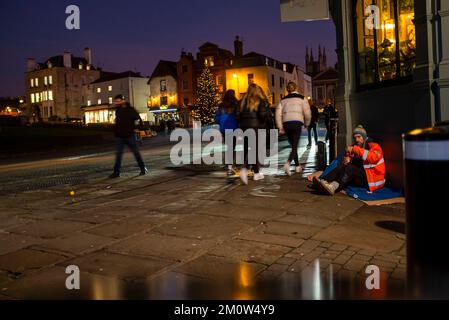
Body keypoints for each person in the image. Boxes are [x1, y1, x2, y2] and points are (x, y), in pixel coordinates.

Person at [314, 125, 386, 195]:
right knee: (341, 167)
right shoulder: (357, 146)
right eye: (355, 138)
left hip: (371, 181)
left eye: (359, 137)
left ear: (364, 137)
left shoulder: (374, 146)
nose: (357, 140)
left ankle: (333, 187)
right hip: (359, 176)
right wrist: (347, 157)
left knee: (350, 169)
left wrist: (355, 149)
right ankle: (323, 181)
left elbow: (374, 158)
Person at [275, 81, 312, 176]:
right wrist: (307, 123)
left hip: (286, 123)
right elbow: (307, 113)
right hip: (296, 123)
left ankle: (297, 165)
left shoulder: (283, 100)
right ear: (296, 88)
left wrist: (280, 127)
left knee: (293, 146)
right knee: (295, 146)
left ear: (287, 89)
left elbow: (278, 114)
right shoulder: (302, 98)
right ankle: (287, 164)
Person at [236, 83, 269, 184]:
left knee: (246, 149)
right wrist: (262, 122)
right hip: (255, 127)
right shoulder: (260, 100)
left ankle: (252, 171)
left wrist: (242, 123)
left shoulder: (242, 101)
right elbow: (262, 115)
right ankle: (250, 171)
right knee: (254, 151)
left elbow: (237, 114)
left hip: (244, 128)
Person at [109, 94, 148, 178]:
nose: (116, 103)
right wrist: (115, 130)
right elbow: (118, 122)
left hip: (129, 135)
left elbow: (138, 119)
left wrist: (137, 128)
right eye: (115, 101)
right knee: (118, 154)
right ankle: (116, 172)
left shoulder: (130, 110)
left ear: (123, 101)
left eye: (118, 101)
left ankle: (142, 168)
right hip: (120, 136)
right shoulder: (118, 110)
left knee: (136, 152)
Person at [215, 89, 239, 176]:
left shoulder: (221, 106)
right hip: (234, 128)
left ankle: (230, 166)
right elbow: (238, 115)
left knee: (229, 147)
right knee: (232, 147)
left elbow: (216, 118)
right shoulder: (236, 104)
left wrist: (221, 121)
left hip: (224, 129)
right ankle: (230, 166)